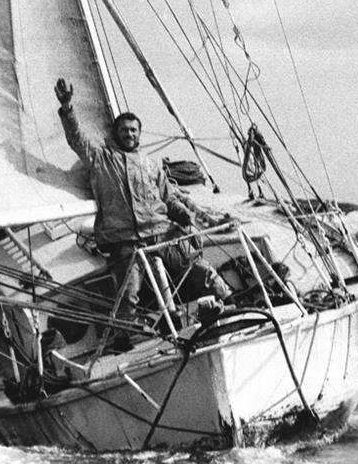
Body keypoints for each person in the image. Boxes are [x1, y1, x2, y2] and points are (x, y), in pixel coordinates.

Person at [54, 78, 232, 345]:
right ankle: (123, 336)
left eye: (134, 130)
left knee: (194, 264)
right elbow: (77, 140)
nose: (129, 134)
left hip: (159, 231)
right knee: (129, 288)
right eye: (125, 130)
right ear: (116, 133)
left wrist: (184, 214)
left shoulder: (150, 165)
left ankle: (230, 299)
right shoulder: (101, 158)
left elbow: (168, 198)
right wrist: (67, 108)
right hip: (124, 237)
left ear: (140, 134)